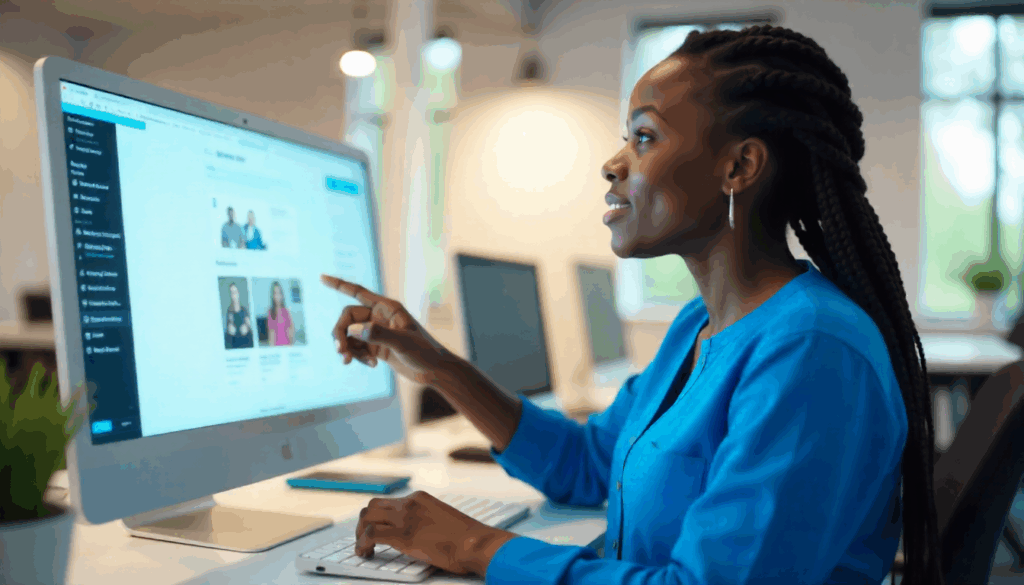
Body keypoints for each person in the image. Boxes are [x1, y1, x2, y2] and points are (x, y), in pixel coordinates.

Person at [321, 24, 942, 585]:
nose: (612, 164)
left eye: (644, 137)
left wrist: (478, 547)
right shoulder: (698, 327)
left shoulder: (810, 350)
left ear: (739, 166)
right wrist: (439, 367)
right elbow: (589, 463)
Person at [224, 282, 253, 349]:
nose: (234, 295)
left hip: (246, 344)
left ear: (238, 293)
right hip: (235, 345)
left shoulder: (244, 310)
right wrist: (230, 330)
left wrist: (248, 327)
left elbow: (250, 327)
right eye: (232, 293)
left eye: (235, 292)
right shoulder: (229, 311)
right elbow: (229, 329)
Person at [267, 281, 294, 346]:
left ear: (282, 295)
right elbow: (271, 333)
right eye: (275, 293)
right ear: (273, 296)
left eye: (279, 293)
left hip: (287, 346)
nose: (277, 296)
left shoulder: (286, 311)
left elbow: (291, 330)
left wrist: (290, 346)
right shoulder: (270, 312)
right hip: (277, 348)